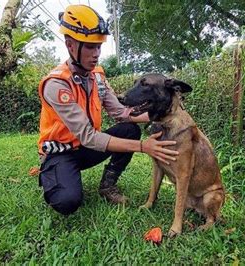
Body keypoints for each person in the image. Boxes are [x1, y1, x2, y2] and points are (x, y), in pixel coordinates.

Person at [37, 4, 178, 215]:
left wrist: (162, 115)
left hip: (86, 150)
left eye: (99, 47)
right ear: (70, 45)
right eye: (90, 47)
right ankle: (55, 176)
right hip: (61, 152)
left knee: (129, 129)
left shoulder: (97, 77)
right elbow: (88, 136)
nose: (96, 54)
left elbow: (121, 113)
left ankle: (107, 185)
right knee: (67, 202)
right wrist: (142, 146)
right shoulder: (57, 84)